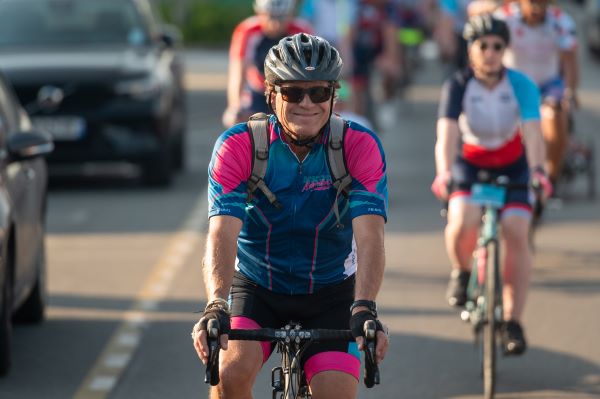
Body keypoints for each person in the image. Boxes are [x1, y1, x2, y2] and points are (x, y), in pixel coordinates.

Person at [193, 33, 389, 398]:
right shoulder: (239, 146)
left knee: (336, 393)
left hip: (331, 290)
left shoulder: (358, 145)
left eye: (318, 92)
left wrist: (364, 307)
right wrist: (216, 303)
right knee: (229, 375)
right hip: (258, 285)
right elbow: (222, 233)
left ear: (334, 95)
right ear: (270, 93)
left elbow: (370, 235)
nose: (307, 103)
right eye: (293, 93)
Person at [431, 15, 552, 355]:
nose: (490, 52)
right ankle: (461, 270)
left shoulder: (521, 84)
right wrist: (444, 173)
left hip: (512, 166)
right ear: (471, 49)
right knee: (462, 219)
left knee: (517, 230)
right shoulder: (457, 84)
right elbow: (447, 136)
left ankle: (512, 320)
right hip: (469, 164)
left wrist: (539, 171)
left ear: (505, 50)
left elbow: (532, 132)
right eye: (482, 45)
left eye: (497, 46)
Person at [495, 0, 579, 194]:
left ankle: (551, 177)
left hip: (548, 85)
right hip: (514, 84)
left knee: (556, 117)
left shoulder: (560, 21)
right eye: (532, 2)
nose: (536, 8)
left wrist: (571, 91)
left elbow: (570, 59)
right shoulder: (505, 18)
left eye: (542, 3)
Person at [221, 0, 312, 128]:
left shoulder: (302, 31)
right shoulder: (247, 30)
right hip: (257, 90)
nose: (275, 24)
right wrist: (234, 105)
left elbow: (310, 72)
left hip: (290, 91)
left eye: (281, 18)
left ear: (291, 15)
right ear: (259, 13)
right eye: (270, 17)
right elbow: (237, 72)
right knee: (237, 121)